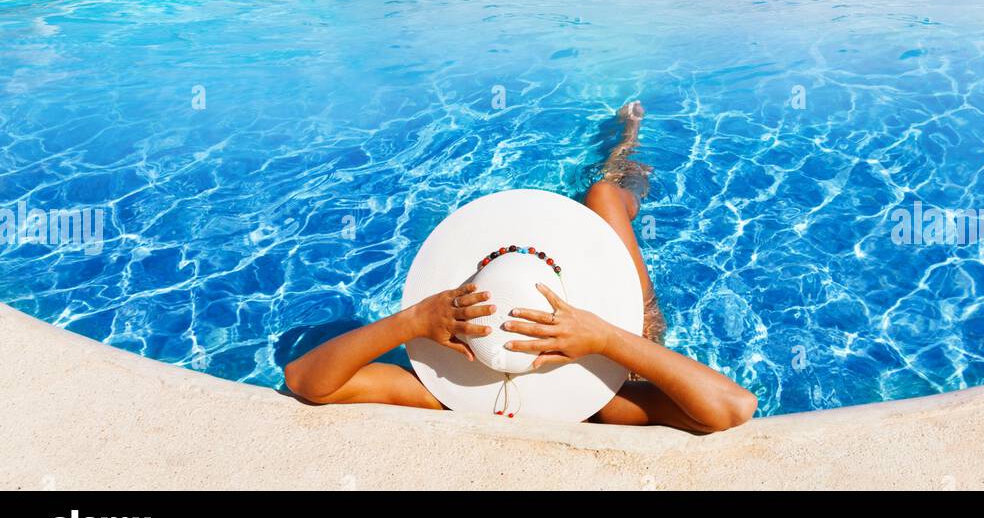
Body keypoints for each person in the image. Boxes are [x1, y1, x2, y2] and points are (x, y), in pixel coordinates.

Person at [283, 103, 757, 433]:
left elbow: (307, 381)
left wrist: (414, 322)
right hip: (624, 336)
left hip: (591, 325)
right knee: (603, 196)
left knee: (600, 196)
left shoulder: (443, 392)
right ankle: (624, 152)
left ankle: (626, 150)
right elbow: (733, 408)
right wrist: (608, 338)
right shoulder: (605, 403)